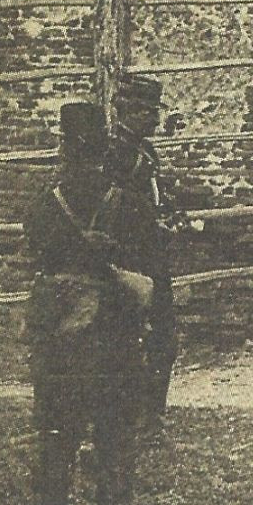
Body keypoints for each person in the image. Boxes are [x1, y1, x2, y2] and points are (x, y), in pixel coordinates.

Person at [22, 101, 158, 505]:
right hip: (114, 345)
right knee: (114, 445)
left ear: (63, 148)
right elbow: (150, 281)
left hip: (58, 346)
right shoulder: (132, 206)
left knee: (55, 443)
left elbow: (36, 260)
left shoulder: (41, 207)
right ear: (103, 148)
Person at [107, 73, 180, 428]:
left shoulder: (144, 150)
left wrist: (169, 215)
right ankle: (133, 415)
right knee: (133, 337)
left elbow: (152, 198)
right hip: (129, 257)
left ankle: (152, 412)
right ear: (129, 112)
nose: (155, 119)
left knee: (164, 336)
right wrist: (152, 225)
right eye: (149, 111)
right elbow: (117, 211)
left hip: (153, 254)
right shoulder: (114, 154)